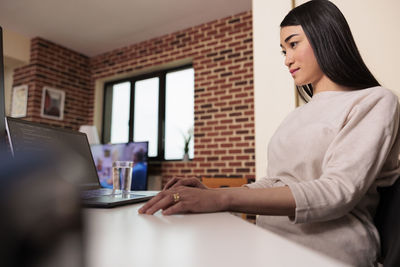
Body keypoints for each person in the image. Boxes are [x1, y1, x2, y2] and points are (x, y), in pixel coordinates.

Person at [139, 1, 400, 266]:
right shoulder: (297, 115)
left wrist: (222, 198)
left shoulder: (375, 101)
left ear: (325, 36)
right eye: (283, 50)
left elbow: (337, 192)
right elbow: (276, 181)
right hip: (265, 242)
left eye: (293, 44)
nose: (287, 59)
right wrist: (211, 192)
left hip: (327, 253)